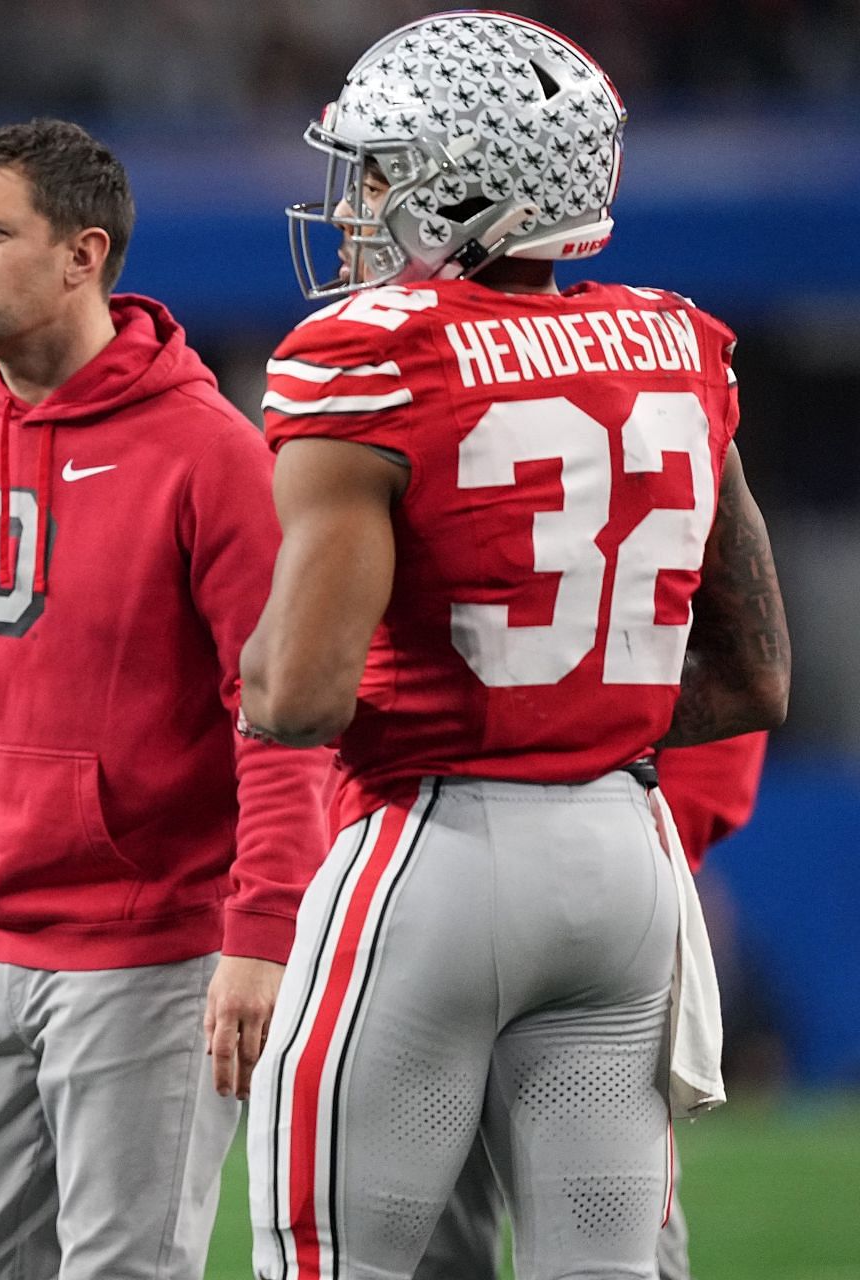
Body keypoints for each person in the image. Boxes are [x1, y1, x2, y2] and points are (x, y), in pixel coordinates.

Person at [236, 13, 791, 1280]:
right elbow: (757, 673)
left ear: (470, 183)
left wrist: (252, 658)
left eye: (381, 170)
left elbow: (303, 694)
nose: (358, 203)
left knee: (327, 1257)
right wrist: (572, 719)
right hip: (627, 862)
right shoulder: (678, 345)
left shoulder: (372, 357)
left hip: (435, 849)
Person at [0, 117, 331, 1279]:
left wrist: (263, 926)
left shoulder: (211, 452)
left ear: (85, 253)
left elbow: (276, 712)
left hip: (153, 955)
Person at [418, 731, 771, 1280]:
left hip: (585, 868)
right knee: (434, 1240)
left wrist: (647, 836)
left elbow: (738, 684)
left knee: (615, 1251)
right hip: (429, 870)